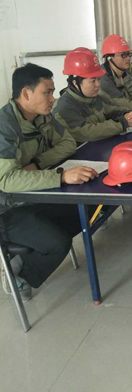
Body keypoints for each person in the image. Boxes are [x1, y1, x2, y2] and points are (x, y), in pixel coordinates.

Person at [0, 63, 99, 300]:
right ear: (26, 93)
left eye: (53, 92)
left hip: (35, 195)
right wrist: (60, 176)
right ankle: (20, 278)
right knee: (57, 243)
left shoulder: (42, 116)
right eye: (47, 92)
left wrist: (37, 164)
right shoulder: (5, 127)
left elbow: (67, 144)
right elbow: (7, 180)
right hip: (7, 209)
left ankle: (24, 255)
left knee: (88, 208)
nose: (53, 99)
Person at [53, 48, 132, 144]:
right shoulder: (63, 108)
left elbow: (111, 110)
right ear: (75, 83)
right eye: (93, 80)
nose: (98, 84)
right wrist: (122, 124)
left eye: (98, 79)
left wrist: (127, 114)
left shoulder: (94, 98)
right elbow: (87, 132)